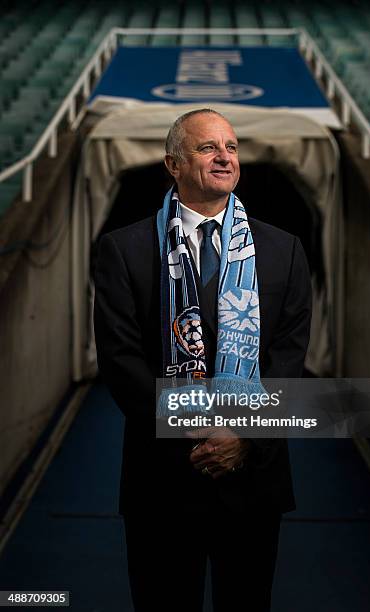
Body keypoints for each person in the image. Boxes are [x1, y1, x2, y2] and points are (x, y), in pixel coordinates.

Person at [94, 108, 312, 612]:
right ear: (172, 163)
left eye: (231, 147)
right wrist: (195, 431)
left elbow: (287, 359)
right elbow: (121, 360)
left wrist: (244, 437)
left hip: (253, 474)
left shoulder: (284, 250)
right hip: (164, 477)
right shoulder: (123, 250)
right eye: (208, 148)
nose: (224, 157)